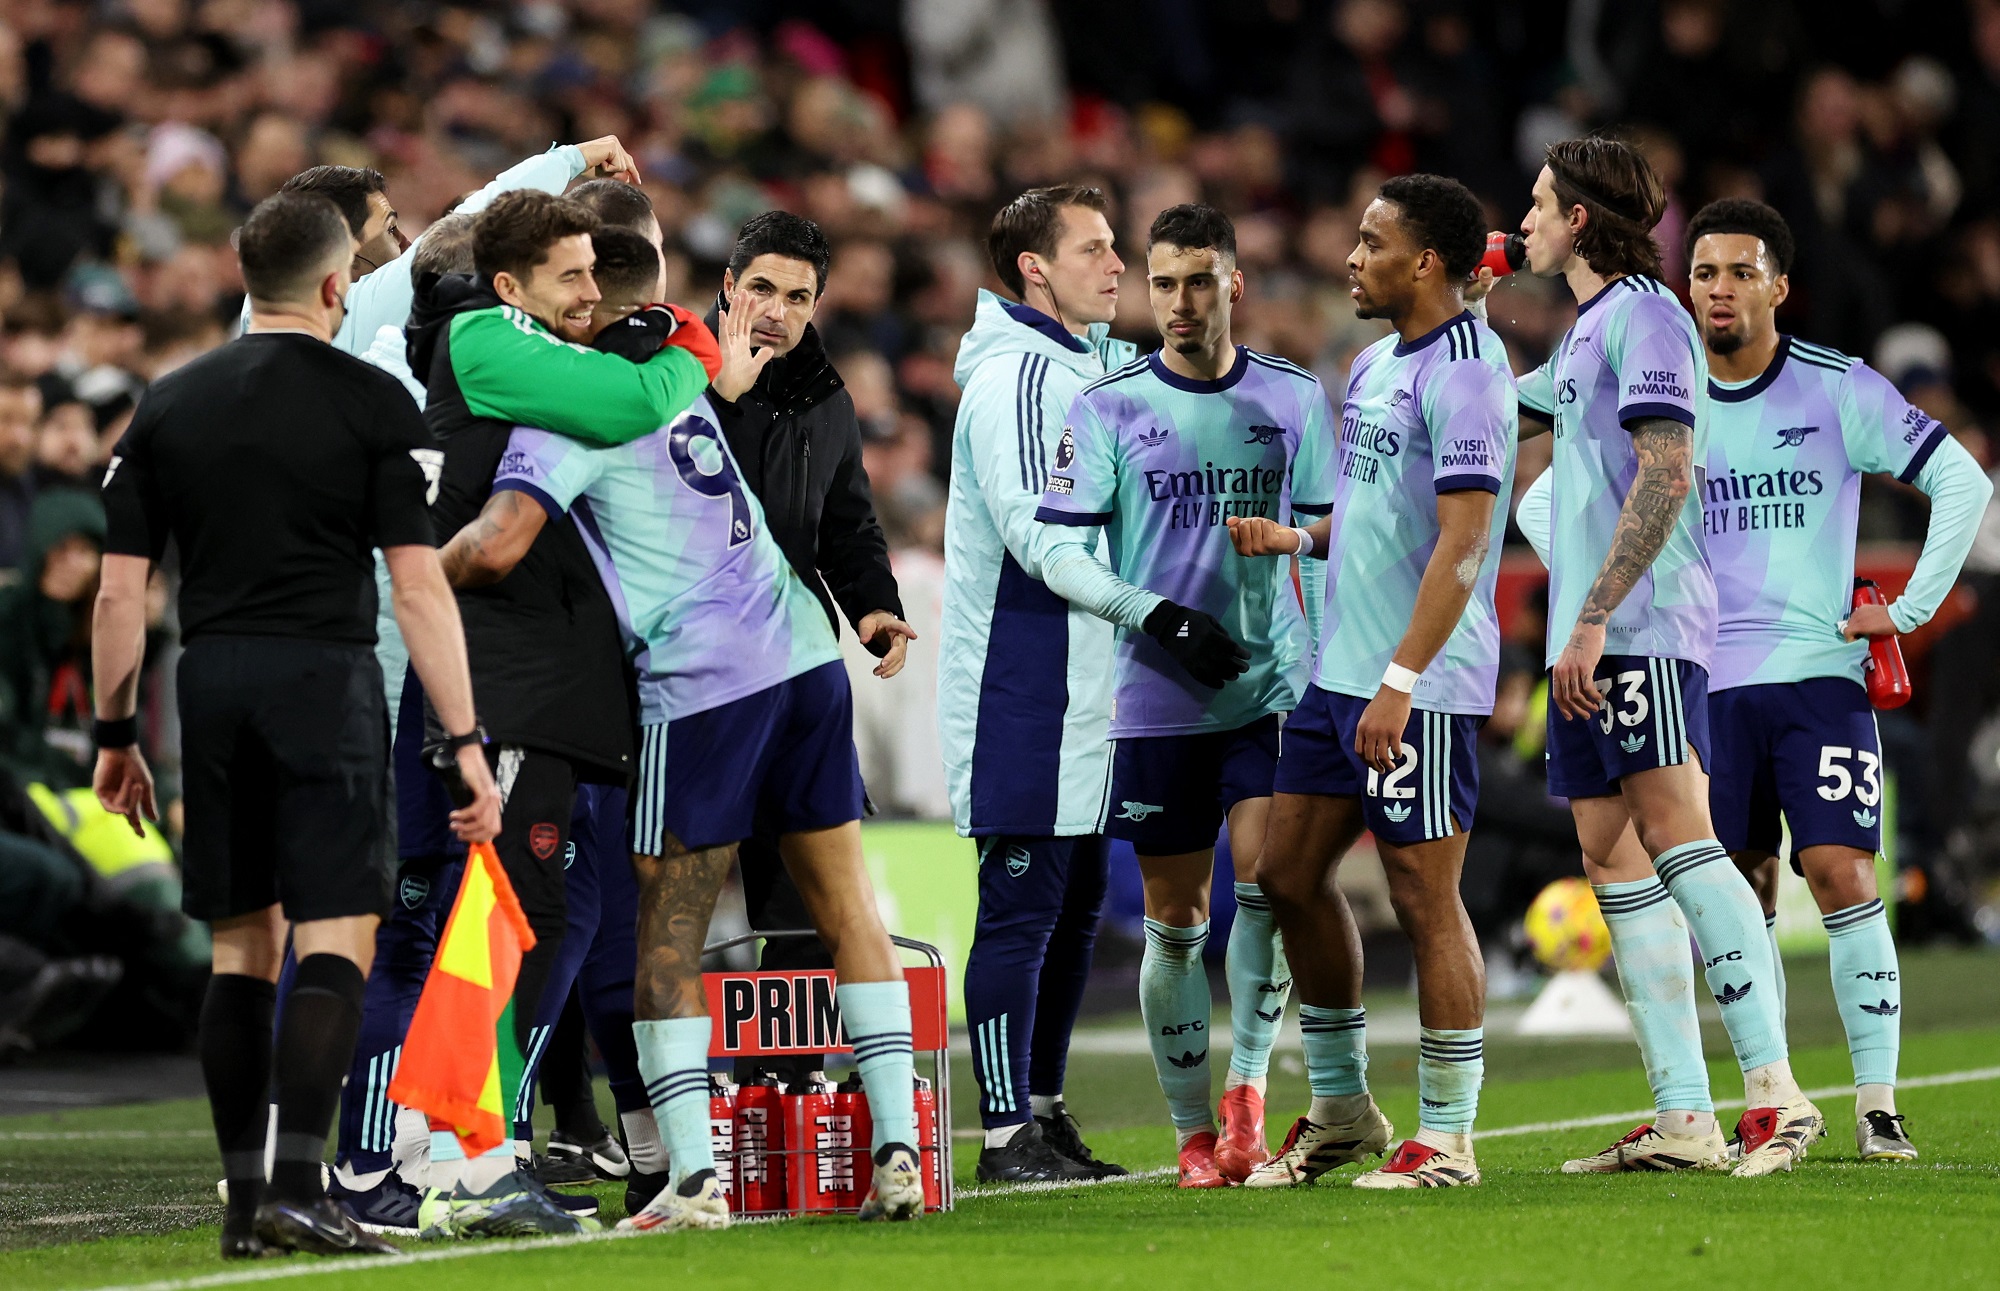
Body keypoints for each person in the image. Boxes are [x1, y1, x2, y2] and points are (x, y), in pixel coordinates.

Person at [440, 238, 927, 1232]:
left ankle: (694, 1183)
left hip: (705, 684)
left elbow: (495, 548)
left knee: (666, 928)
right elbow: (728, 373)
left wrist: (394, 564)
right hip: (803, 656)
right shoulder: (681, 377)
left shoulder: (571, 409)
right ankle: (898, 1150)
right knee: (846, 910)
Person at [90, 191, 503, 1259]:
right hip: (324, 679)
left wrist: (114, 734)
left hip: (210, 681)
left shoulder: (167, 405)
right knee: (334, 932)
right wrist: (462, 745)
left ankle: (240, 1207)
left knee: (240, 944)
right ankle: (298, 1185)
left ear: (243, 276)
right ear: (335, 286)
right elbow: (418, 589)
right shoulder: (374, 405)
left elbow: (117, 596)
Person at [410, 189, 717, 1236]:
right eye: (570, 277)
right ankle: (464, 1166)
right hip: (509, 684)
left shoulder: (508, 339)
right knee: (495, 925)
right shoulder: (482, 337)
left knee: (515, 925)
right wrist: (691, 349)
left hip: (536, 685)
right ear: (511, 287)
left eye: (596, 273)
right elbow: (634, 404)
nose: (591, 293)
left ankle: (460, 1154)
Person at [1511, 137, 1816, 1177]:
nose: (1528, 218)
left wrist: (1594, 610)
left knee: (1680, 837)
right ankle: (1683, 1116)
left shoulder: (1643, 314)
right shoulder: (1584, 328)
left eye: (1541, 203)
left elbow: (1667, 468)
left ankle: (1775, 1090)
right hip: (1587, 636)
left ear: (1583, 220)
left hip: (1636, 626)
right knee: (1608, 852)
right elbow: (1497, 418)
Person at [1032, 204, 1334, 1187]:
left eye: (1198, 281)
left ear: (1233, 283)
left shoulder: (1291, 398)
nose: (1178, 302)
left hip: (1268, 688)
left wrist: (1327, 655)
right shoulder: (1109, 406)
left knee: (1265, 885)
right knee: (1175, 919)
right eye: (1162, 283)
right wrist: (1151, 614)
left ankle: (1245, 1093)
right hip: (1158, 699)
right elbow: (1060, 552)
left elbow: (1334, 539)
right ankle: (1190, 1130)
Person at [1684, 198, 1990, 1160]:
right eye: (1703, 273)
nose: (1720, 289)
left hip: (1818, 675)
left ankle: (1877, 1104)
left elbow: (1963, 483)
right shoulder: (1664, 395)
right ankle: (1771, 1099)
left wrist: (1904, 611)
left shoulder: (1835, 386)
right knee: (1737, 892)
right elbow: (1551, 495)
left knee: (1845, 875)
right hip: (1704, 681)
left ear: (1779, 285)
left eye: (1740, 271)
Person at [1227, 174, 1516, 1189]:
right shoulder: (1371, 362)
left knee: (1421, 898)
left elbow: (1464, 543)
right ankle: (1344, 1109)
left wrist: (1400, 678)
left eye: (1370, 240)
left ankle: (1445, 1136)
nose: (1350, 257)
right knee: (1284, 875)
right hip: (1337, 674)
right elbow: (1376, 514)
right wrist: (1300, 538)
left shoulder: (1471, 374)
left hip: (1417, 685)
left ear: (1424, 261)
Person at [941, 185, 1135, 1182]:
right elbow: (1036, 536)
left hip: (1085, 684)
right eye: (1093, 248)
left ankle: (1045, 1113)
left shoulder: (1086, 368)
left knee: (1077, 902)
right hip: (1020, 682)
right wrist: (1149, 611)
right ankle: (1001, 1129)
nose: (1115, 263)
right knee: (1021, 908)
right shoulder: (1017, 377)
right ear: (1034, 268)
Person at [702, 210, 915, 1097]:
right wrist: (722, 396)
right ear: (727, 285)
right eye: (761, 289)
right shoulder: (669, 375)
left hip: (789, 673)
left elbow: (846, 522)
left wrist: (874, 607)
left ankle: (775, 1096)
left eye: (797, 296)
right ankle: (609, 1120)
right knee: (653, 917)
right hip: (688, 680)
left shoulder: (825, 396)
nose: (776, 311)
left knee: (794, 909)